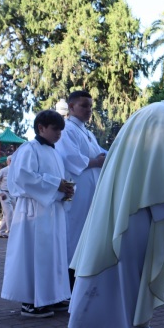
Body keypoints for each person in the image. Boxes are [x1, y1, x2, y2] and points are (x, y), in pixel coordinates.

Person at [68, 91, 164, 328]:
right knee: (130, 271)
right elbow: (163, 178)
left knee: (121, 270)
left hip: (127, 202)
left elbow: (153, 167)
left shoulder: (154, 112)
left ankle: (118, 326)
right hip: (135, 211)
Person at [1, 110, 74, 318]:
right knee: (34, 255)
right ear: (41, 128)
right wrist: (56, 184)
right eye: (54, 129)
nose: (58, 134)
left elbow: (58, 179)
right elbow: (24, 178)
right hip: (33, 211)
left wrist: (66, 188)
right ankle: (31, 301)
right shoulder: (28, 149)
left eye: (61, 130)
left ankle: (53, 295)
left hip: (52, 210)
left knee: (54, 254)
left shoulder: (54, 152)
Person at [55, 91, 106, 290]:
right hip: (77, 191)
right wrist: (96, 162)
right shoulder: (66, 129)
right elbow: (70, 157)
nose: (88, 111)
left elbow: (103, 152)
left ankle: (81, 278)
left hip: (91, 191)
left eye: (91, 107)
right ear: (71, 107)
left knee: (85, 233)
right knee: (73, 233)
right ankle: (68, 282)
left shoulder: (87, 132)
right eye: (84, 106)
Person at [0, 155, 15, 239]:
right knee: (9, 212)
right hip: (5, 193)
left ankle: (1, 232)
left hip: (14, 194)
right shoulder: (3, 171)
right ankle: (11, 232)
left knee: (7, 214)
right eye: (12, 160)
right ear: (8, 161)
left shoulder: (17, 171)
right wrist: (0, 193)